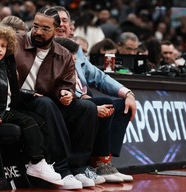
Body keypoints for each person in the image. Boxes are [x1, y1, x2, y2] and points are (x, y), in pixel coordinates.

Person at [14, 7, 98, 189]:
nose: (38, 31)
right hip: (18, 99)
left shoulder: (64, 54)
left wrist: (65, 93)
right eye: (35, 26)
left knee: (87, 108)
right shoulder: (15, 42)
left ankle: (78, 168)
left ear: (56, 30)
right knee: (46, 104)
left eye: (45, 29)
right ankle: (61, 169)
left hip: (46, 99)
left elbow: (66, 83)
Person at [53, 5, 136, 183]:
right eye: (56, 20)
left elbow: (98, 76)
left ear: (70, 26)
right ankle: (92, 163)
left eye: (65, 21)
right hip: (63, 102)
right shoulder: (45, 49)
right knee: (102, 102)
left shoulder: (75, 48)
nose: (61, 24)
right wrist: (79, 96)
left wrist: (127, 92)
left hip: (81, 100)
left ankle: (103, 162)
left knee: (122, 106)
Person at [0, 24, 63, 186]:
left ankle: (43, 162)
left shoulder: (7, 64)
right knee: (29, 122)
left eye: (2, 45)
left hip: (8, 108)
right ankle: (36, 161)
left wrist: (30, 94)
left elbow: (11, 90)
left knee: (41, 121)